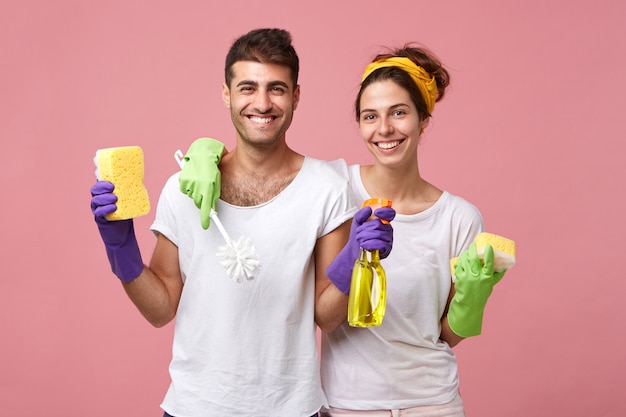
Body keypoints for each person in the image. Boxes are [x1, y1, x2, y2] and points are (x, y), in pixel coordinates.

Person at [89, 28, 394, 416]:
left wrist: (354, 261)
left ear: (296, 96)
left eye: (277, 88)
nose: (262, 103)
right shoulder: (185, 187)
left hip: (292, 409)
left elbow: (326, 317)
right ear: (226, 94)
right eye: (248, 87)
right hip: (194, 407)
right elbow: (161, 309)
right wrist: (121, 249)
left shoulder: (327, 190)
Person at [320, 44, 508, 416]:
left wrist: (472, 300)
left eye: (399, 113)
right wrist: (207, 151)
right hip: (348, 405)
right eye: (370, 116)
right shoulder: (333, 187)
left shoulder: (459, 217)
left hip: (434, 403)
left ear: (423, 120)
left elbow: (445, 335)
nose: (384, 128)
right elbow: (324, 319)